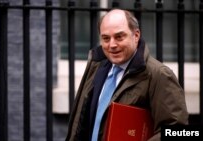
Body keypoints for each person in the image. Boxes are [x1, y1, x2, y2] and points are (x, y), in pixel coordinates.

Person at [65, 9, 188, 141]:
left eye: (119, 37)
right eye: (106, 38)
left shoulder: (159, 75)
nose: (112, 45)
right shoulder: (97, 68)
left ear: (136, 35)